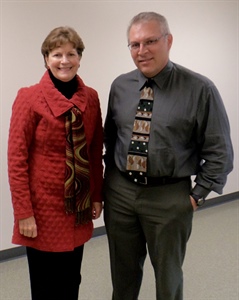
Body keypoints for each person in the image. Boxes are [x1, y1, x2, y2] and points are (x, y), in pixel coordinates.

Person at [103, 12, 233, 300]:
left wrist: (196, 195)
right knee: (122, 274)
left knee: (168, 276)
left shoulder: (200, 89)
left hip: (169, 197)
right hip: (120, 193)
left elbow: (219, 151)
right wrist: (109, 183)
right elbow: (111, 138)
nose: (142, 51)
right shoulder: (120, 86)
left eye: (150, 41)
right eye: (134, 44)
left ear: (168, 40)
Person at [8, 26, 103, 300]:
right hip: (42, 212)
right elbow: (17, 160)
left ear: (79, 57)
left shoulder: (92, 98)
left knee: (72, 279)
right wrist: (23, 212)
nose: (65, 60)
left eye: (71, 53)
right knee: (45, 285)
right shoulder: (29, 98)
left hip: (78, 207)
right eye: (57, 54)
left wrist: (97, 196)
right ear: (46, 58)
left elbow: (95, 152)